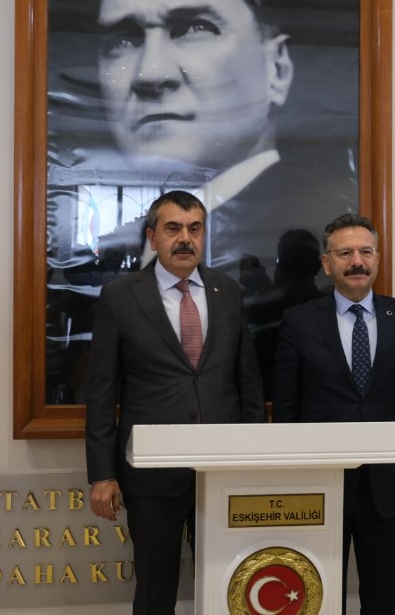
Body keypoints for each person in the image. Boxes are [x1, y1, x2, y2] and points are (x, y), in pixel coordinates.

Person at [45, 0, 356, 403]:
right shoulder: (110, 252)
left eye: (194, 27)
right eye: (124, 38)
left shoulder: (303, 221)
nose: (151, 74)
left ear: (276, 68)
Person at [84, 190, 266, 615]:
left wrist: (256, 458)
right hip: (152, 476)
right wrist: (102, 474)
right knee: (155, 590)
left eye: (194, 228)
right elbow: (101, 391)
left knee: (231, 585)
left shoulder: (227, 291)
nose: (185, 238)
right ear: (152, 237)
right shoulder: (121, 295)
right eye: (173, 229)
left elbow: (249, 382)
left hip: (224, 470)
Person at [271, 213, 395, 615]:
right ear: (327, 263)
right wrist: (290, 476)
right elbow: (286, 407)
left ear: (377, 258)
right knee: (318, 595)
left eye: (366, 251)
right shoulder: (299, 321)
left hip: (388, 483)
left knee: (384, 598)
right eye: (345, 253)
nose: (357, 261)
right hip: (319, 482)